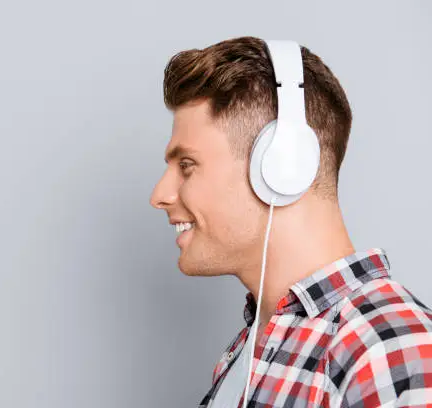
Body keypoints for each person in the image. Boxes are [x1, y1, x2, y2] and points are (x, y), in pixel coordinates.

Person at [149, 35, 432, 407]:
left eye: (186, 165)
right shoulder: (250, 350)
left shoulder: (389, 351)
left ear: (281, 167)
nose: (159, 195)